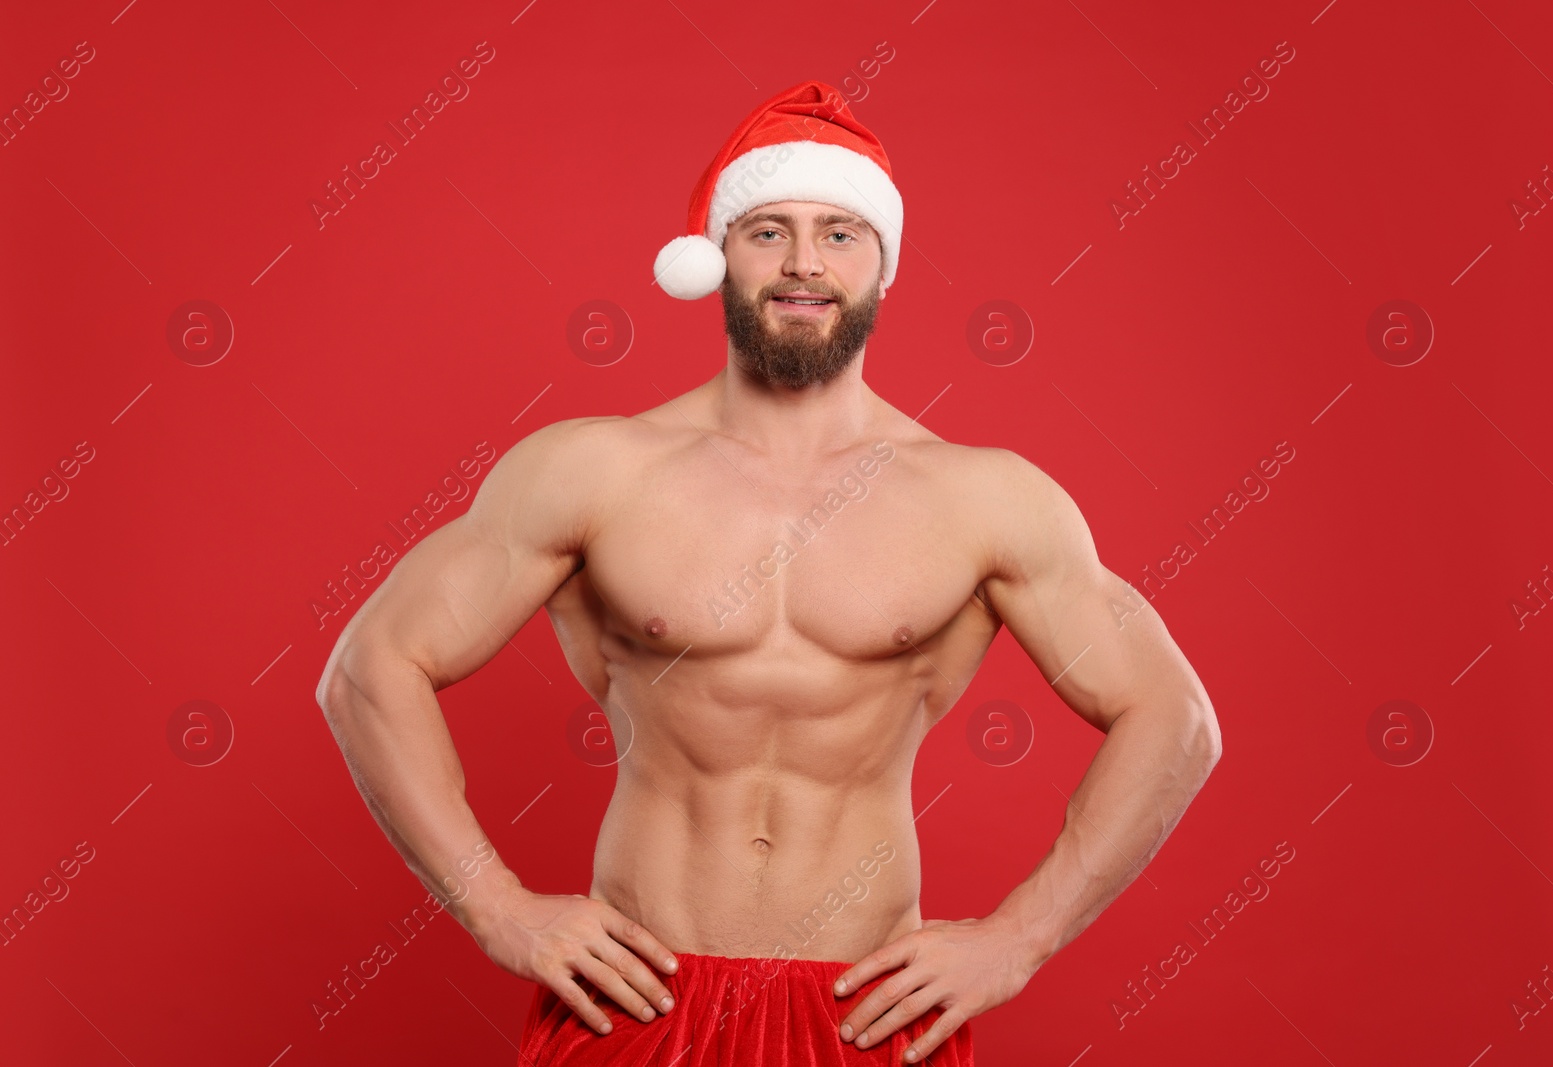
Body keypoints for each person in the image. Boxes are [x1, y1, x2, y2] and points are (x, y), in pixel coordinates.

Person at [316, 81, 1221, 1066]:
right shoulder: (591, 471)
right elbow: (371, 666)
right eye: (766, 231)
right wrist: (496, 905)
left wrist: (1020, 934)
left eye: (840, 233)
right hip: (639, 999)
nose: (802, 263)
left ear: (884, 263)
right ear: (715, 259)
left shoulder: (985, 499)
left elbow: (1172, 717)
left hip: (863, 1009)